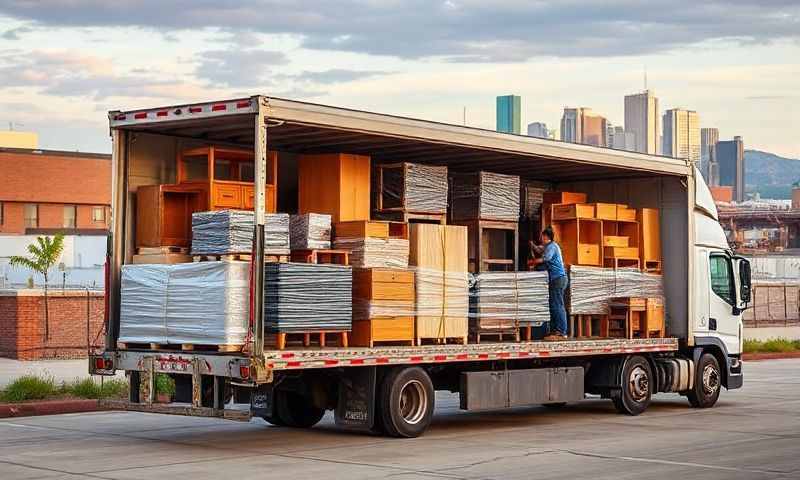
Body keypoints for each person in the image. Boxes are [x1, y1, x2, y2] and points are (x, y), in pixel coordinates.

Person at [530, 226, 568, 340]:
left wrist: (532, 262)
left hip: (558, 279)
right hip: (556, 279)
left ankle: (562, 332)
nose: (540, 237)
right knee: (554, 305)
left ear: (546, 236)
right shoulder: (548, 246)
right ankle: (556, 330)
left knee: (558, 305)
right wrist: (532, 245)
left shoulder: (552, 247)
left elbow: (545, 258)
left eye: (542, 235)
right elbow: (539, 250)